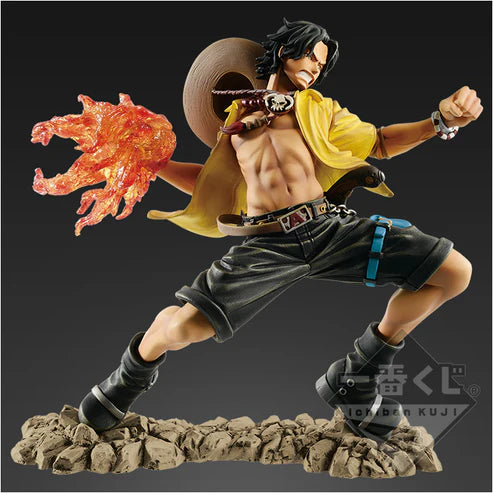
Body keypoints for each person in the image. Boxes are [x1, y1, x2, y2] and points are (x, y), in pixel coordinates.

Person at [78, 19, 482, 442]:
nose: (315, 68)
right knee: (183, 328)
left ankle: (355, 377)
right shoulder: (234, 123)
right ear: (285, 52)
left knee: (453, 272)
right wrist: (154, 163)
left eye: (321, 64)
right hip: (268, 244)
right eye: (310, 56)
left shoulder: (319, 110)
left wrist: (438, 120)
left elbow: (380, 142)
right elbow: (209, 185)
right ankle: (126, 380)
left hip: (328, 229)